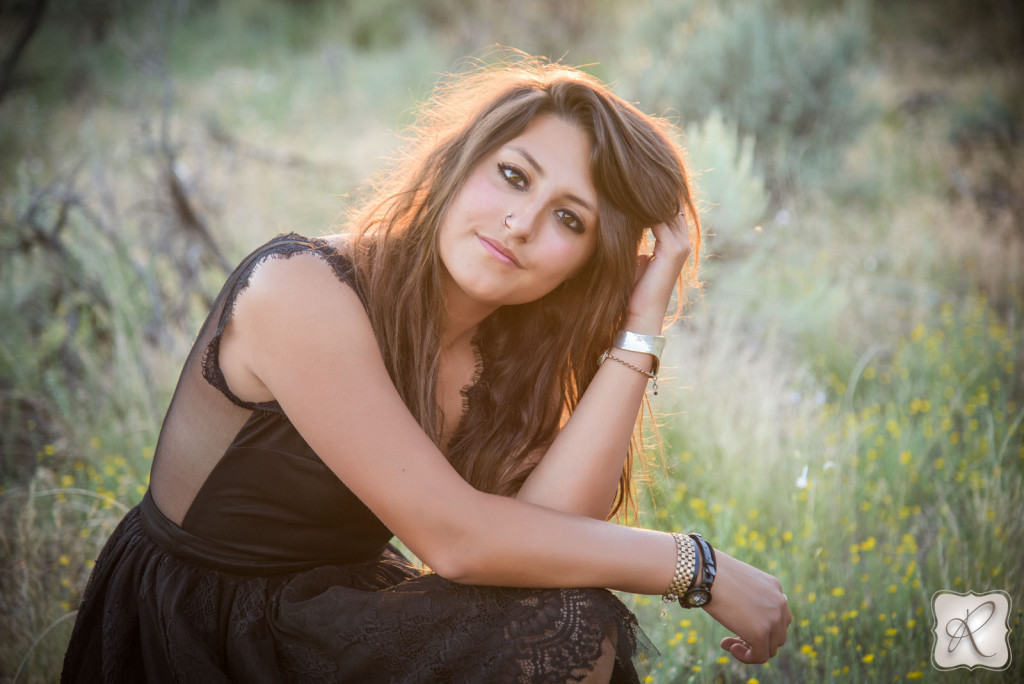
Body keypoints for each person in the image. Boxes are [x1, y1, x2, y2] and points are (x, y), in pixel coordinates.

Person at [61, 56, 790, 683]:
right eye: (512, 176)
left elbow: (548, 539)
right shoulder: (300, 288)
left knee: (569, 617)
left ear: (587, 266)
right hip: (199, 631)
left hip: (329, 611)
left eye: (570, 219)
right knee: (569, 625)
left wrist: (639, 325)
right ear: (459, 163)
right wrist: (695, 567)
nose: (522, 222)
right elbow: (460, 541)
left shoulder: (503, 344)